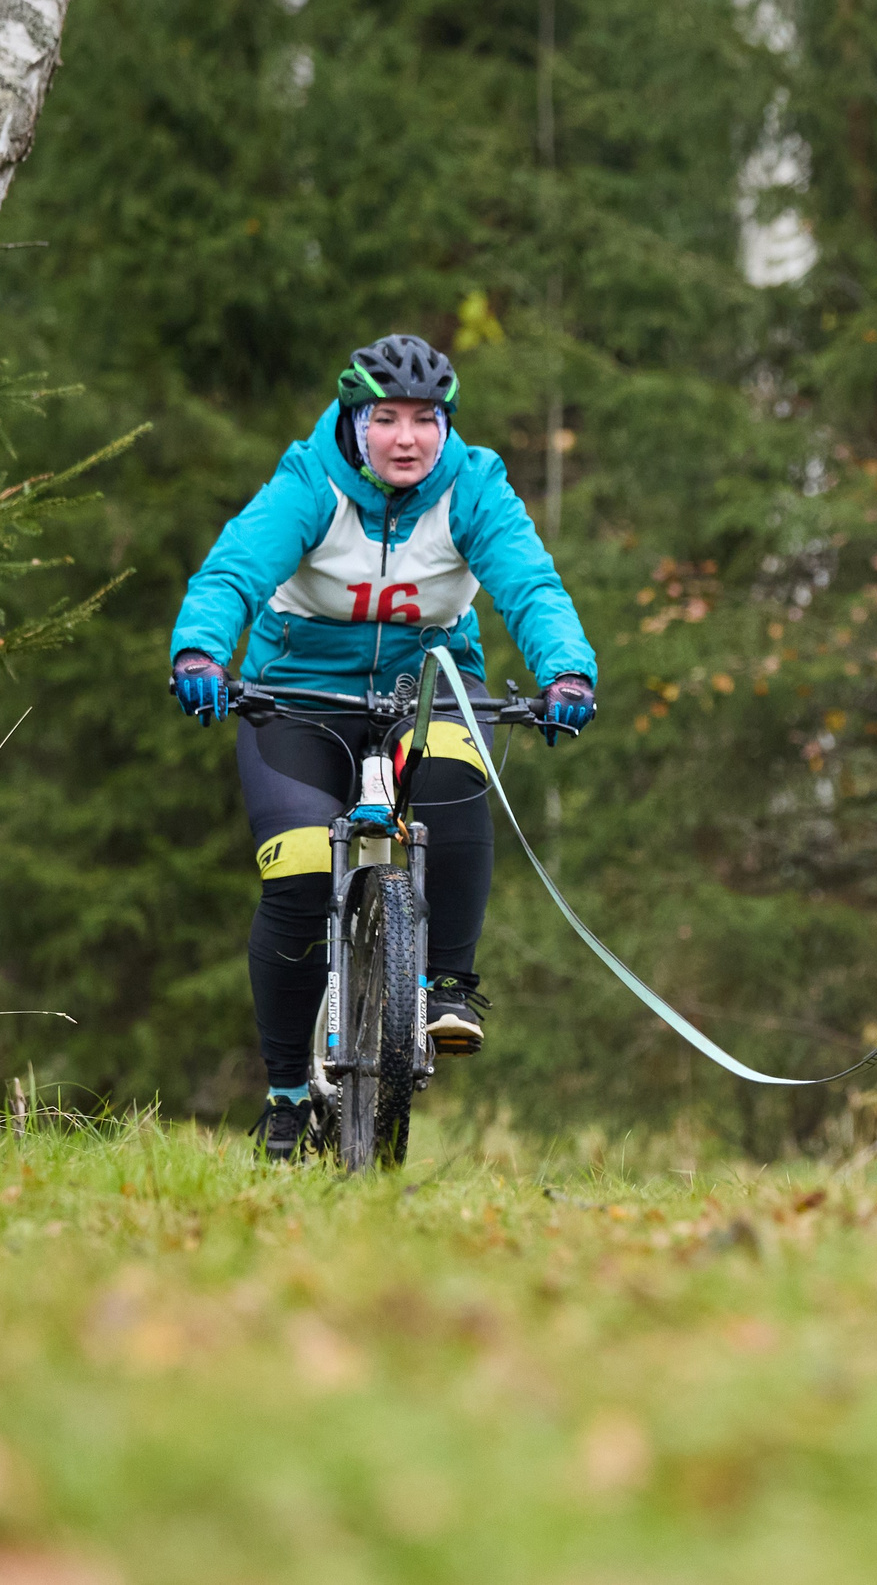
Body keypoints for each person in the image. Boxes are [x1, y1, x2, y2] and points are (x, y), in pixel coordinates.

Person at [166, 334, 597, 1159]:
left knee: (458, 762)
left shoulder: (473, 487)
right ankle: (289, 1090)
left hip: (425, 682)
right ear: (355, 423)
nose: (408, 438)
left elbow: (530, 584)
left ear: (446, 425)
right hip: (295, 695)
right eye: (388, 419)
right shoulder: (308, 482)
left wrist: (567, 673)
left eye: (427, 420)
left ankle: (451, 988)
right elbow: (232, 574)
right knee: (295, 873)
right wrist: (201, 652)